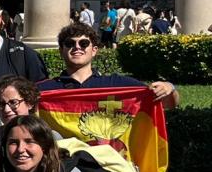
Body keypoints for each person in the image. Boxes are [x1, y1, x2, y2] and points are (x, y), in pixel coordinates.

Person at [40, 21, 179, 107]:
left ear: (94, 50)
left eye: (84, 43)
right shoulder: (44, 90)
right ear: (61, 51)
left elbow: (168, 104)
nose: (77, 47)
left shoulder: (116, 84)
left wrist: (168, 88)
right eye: (70, 43)